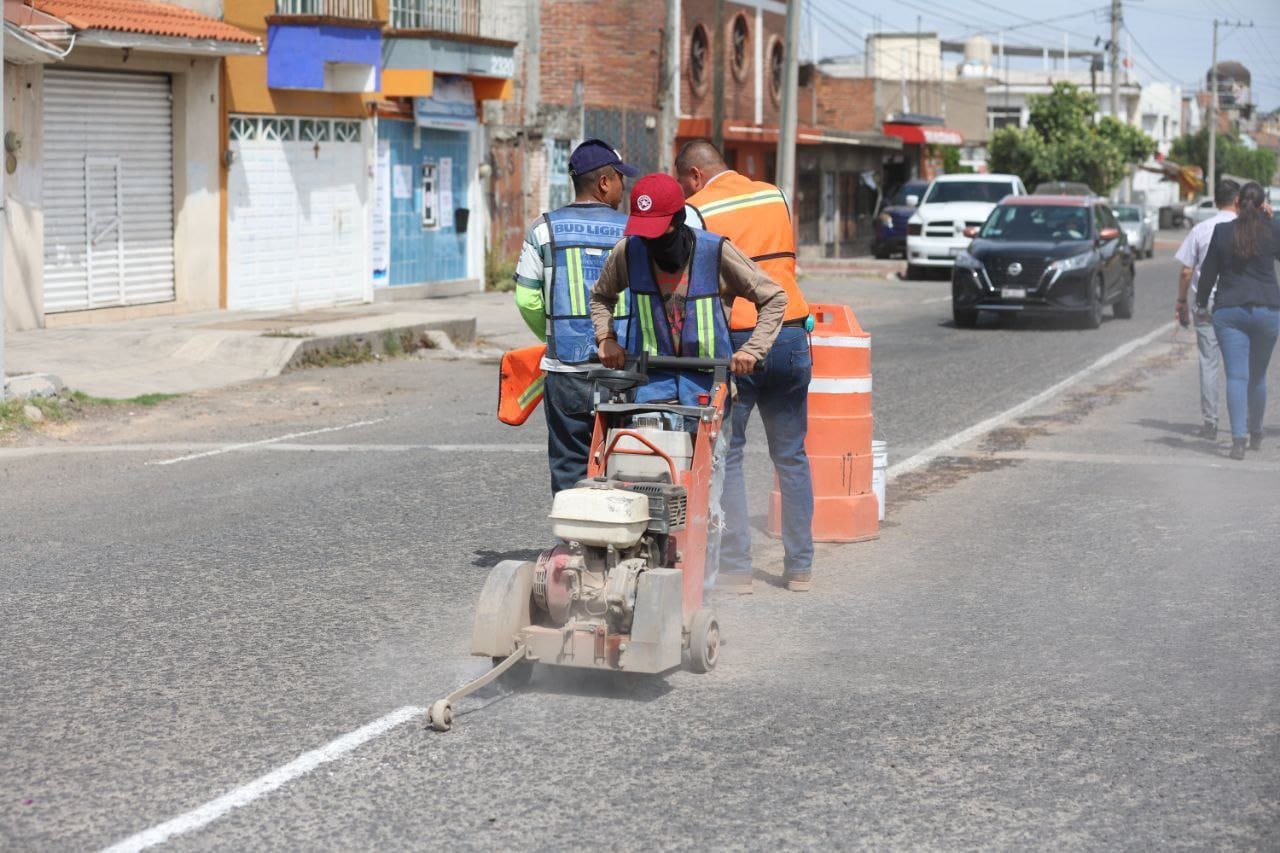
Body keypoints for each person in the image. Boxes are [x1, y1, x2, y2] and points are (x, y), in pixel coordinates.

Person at [589, 173, 787, 590]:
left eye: (658, 232)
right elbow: (601, 296)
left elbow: (774, 297)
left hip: (707, 393)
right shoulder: (630, 251)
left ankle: (699, 590)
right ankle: (640, 577)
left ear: (679, 221)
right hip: (649, 391)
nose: (651, 243)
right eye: (644, 233)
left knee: (703, 496)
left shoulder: (716, 253)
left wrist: (753, 350)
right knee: (642, 481)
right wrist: (606, 337)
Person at [675, 139, 815, 594]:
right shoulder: (775, 195)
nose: (686, 192)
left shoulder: (697, 210)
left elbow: (693, 282)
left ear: (694, 175)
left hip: (739, 341)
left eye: (685, 184)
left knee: (729, 454)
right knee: (790, 455)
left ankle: (737, 569)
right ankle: (800, 567)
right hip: (790, 331)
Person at [513, 139, 640, 494]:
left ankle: (571, 527)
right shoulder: (633, 230)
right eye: (620, 178)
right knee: (623, 461)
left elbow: (526, 299)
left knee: (569, 464)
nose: (623, 186)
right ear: (603, 183)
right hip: (622, 370)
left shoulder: (543, 229)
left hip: (565, 372)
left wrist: (554, 335)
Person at [1194, 181, 1280, 460]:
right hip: (1267, 309)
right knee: (1258, 376)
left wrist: (1200, 304)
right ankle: (1256, 431)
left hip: (1229, 311)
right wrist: (1271, 220)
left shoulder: (1222, 232)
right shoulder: (1272, 230)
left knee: (1236, 376)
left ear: (1237, 202)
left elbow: (1208, 274)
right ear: (1263, 204)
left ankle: (1238, 441)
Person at [1174, 179, 1239, 439]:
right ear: (1237, 201)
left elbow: (1186, 271)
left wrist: (1181, 302)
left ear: (1215, 201)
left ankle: (1210, 423)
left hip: (1206, 304)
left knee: (1208, 363)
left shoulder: (1200, 229)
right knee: (1237, 366)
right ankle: (1241, 425)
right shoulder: (1246, 229)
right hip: (1236, 303)